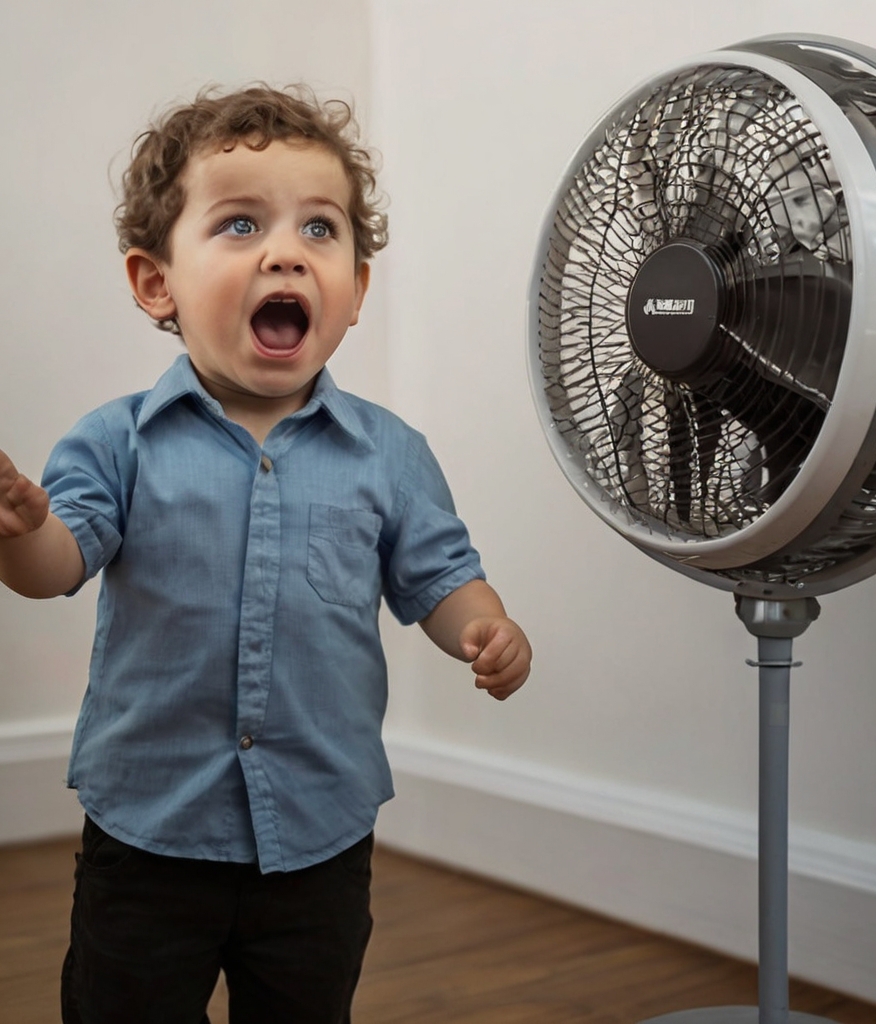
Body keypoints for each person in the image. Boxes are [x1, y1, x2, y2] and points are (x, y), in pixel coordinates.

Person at [0, 84, 531, 1024]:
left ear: (357, 291)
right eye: (240, 224)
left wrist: (484, 626)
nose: (287, 250)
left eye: (320, 230)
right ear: (156, 282)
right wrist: (20, 532)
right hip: (151, 835)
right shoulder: (117, 442)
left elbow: (441, 575)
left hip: (318, 838)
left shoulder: (390, 455)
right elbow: (56, 566)